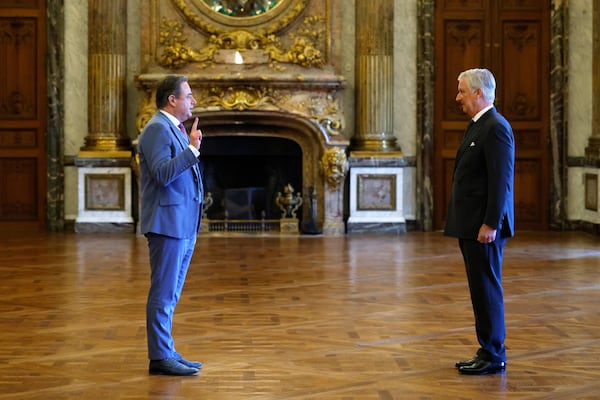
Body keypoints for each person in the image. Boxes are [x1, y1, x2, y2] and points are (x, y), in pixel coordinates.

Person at [444, 68, 515, 375]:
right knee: (480, 289)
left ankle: (494, 354)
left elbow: (501, 181)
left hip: (483, 228)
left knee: (486, 289)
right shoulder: (478, 125)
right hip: (472, 224)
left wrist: (490, 223)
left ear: (477, 92)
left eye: (461, 91)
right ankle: (486, 348)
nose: (457, 97)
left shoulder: (495, 127)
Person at [137, 75, 204, 376]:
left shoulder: (172, 128)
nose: (193, 101)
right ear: (172, 100)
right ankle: (161, 357)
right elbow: (163, 174)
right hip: (167, 224)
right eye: (188, 96)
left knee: (171, 293)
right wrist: (191, 151)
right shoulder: (156, 129)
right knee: (163, 292)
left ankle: (166, 351)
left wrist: (190, 145)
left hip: (182, 224)